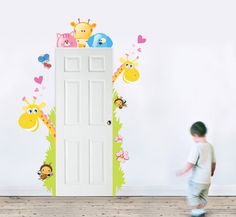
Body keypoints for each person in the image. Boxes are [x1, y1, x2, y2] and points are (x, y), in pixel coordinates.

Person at [177, 121, 216, 217]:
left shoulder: (196, 147)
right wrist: (212, 172)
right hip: (207, 180)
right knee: (203, 196)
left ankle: (196, 212)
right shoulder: (210, 146)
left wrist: (183, 171)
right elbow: (214, 162)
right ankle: (201, 210)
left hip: (197, 180)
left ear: (195, 135)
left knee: (192, 195)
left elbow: (191, 163)